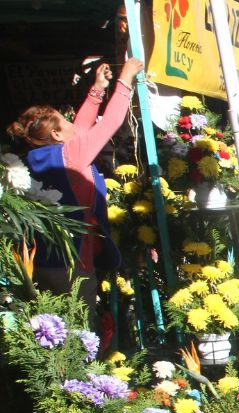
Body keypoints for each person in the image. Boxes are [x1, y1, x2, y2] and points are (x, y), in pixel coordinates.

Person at [7, 58, 144, 302]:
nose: (73, 123)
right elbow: (110, 123)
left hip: (42, 260)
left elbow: (79, 130)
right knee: (82, 330)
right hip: (73, 263)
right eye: (66, 121)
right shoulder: (71, 155)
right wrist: (126, 78)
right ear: (56, 134)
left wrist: (98, 89)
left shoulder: (34, 158)